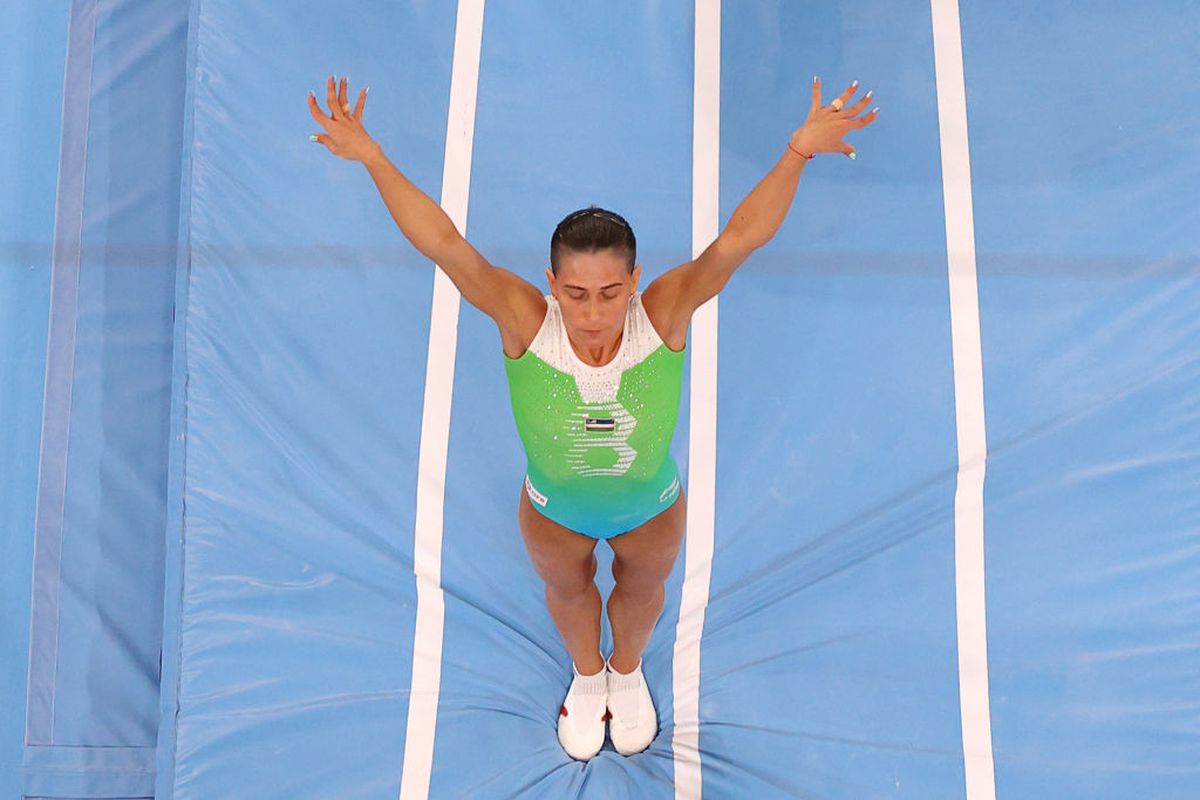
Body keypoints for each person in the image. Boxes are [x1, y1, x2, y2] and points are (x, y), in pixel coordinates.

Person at [307, 73, 877, 761]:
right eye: (575, 294)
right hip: (554, 512)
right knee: (569, 592)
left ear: (635, 281)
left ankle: (626, 672)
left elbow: (736, 241)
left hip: (650, 508)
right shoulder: (526, 321)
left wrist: (797, 151)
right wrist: (373, 157)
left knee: (642, 590)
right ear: (551, 285)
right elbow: (446, 245)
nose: (593, 313)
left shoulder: (662, 314)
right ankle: (587, 674)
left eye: (610, 292)